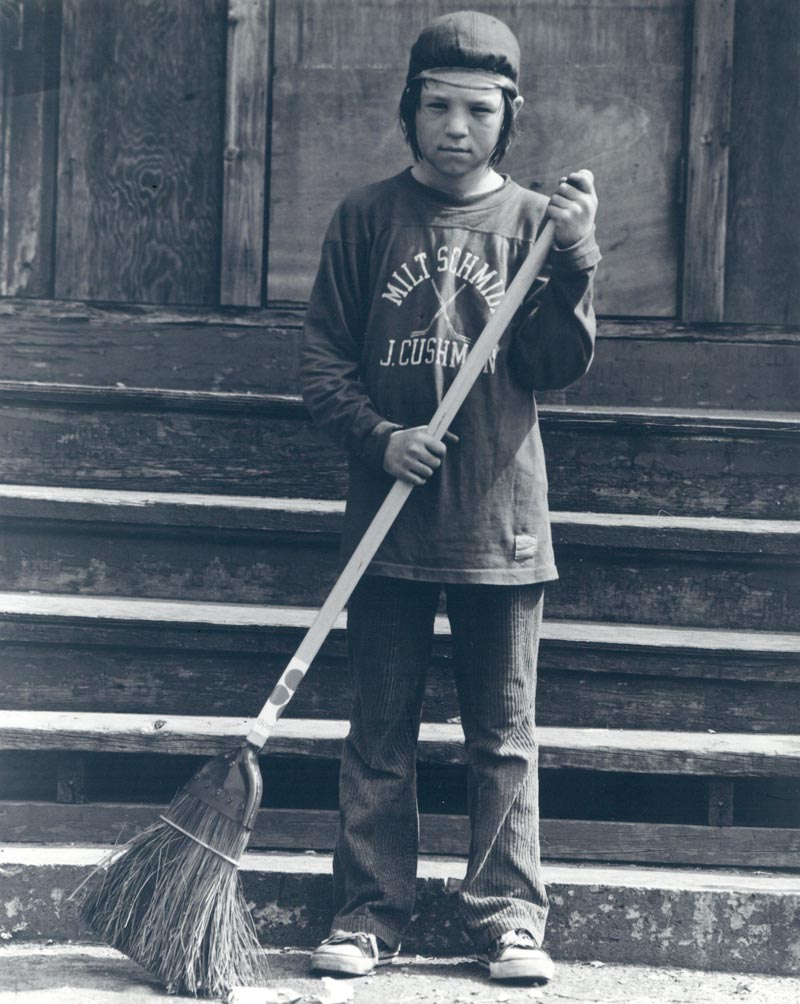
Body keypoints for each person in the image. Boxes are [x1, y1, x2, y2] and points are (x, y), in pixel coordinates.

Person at [300, 9, 600, 985]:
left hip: (499, 520)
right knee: (378, 727)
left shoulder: (530, 225)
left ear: (507, 117)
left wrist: (576, 262)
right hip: (386, 526)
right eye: (438, 104)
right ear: (410, 108)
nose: (456, 126)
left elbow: (553, 362)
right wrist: (381, 437)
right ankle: (368, 911)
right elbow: (320, 365)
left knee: (502, 738)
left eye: (478, 108)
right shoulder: (364, 219)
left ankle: (509, 916)